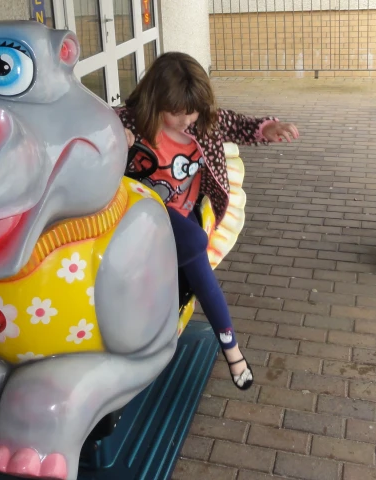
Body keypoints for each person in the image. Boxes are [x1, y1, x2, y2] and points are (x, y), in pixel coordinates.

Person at [115, 52, 299, 390]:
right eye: (176, 113)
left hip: (183, 220)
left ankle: (228, 346)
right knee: (193, 242)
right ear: (156, 100)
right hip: (140, 219)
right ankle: (232, 351)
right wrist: (110, 139)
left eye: (193, 111)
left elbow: (238, 124)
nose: (187, 120)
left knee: (192, 262)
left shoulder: (204, 124)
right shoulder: (128, 123)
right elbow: (84, 124)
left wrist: (267, 127)